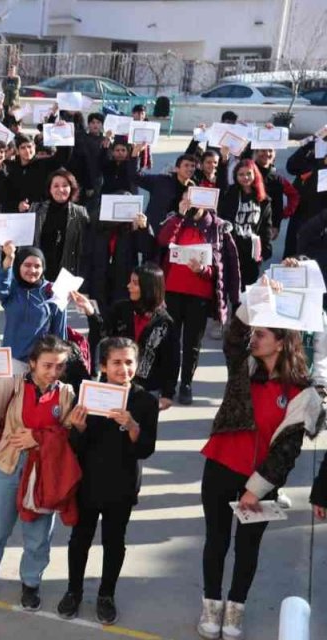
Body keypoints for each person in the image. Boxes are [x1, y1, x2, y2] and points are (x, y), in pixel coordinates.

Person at [195, 298, 319, 640]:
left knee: (248, 547)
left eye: (261, 334)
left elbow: (288, 450)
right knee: (216, 541)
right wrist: (259, 295)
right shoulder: (243, 366)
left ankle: (235, 608)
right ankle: (211, 605)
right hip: (220, 465)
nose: (254, 338)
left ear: (281, 341)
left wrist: (257, 488)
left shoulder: (302, 393)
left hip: (261, 482)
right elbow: (234, 334)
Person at [0, 335, 78, 611]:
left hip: (44, 474)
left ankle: (30, 583)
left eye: (59, 367)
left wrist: (39, 437)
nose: (53, 373)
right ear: (33, 363)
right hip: (6, 468)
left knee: (38, 537)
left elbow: (70, 435)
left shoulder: (66, 394)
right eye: (47, 365)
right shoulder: (11, 386)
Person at [58, 337, 159, 626]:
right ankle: (73, 591)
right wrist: (77, 427)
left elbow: (146, 449)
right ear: (103, 365)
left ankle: (106, 595)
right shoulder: (89, 395)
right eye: (116, 362)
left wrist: (132, 427)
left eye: (129, 362)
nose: (123, 369)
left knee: (115, 541)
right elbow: (77, 445)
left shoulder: (145, 401)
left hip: (122, 484)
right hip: (88, 481)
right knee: (80, 539)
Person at [157, 192, 241, 405]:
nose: (192, 203)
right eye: (187, 198)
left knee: (192, 343)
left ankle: (186, 383)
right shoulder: (176, 220)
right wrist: (179, 215)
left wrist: (203, 270)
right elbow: (164, 241)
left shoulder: (217, 227)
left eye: (196, 198)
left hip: (199, 295)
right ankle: (169, 384)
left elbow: (222, 268)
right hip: (173, 291)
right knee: (171, 340)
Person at [74, 264, 179, 409]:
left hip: (146, 389)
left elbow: (171, 361)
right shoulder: (121, 309)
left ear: (148, 288)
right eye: (130, 281)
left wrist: (168, 394)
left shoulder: (164, 323)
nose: (129, 286)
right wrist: (91, 312)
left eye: (135, 283)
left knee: (140, 430)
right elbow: (103, 333)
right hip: (114, 383)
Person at [0, 242, 67, 371]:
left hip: (42, 362)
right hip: (13, 360)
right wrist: (10, 257)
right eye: (27, 265)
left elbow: (60, 331)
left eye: (37, 266)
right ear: (19, 266)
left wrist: (58, 363)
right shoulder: (12, 289)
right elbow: (1, 285)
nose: (32, 270)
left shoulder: (53, 290)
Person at [24, 169, 88, 282]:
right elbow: (26, 241)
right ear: (50, 189)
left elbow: (82, 249)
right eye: (56, 186)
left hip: (66, 273)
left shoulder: (80, 213)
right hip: (38, 272)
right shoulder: (36, 209)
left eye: (65, 185)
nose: (61, 189)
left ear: (71, 188)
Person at [218, 160, 273, 288]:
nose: (245, 177)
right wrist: (224, 160)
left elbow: (266, 227)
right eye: (241, 174)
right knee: (231, 287)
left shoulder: (263, 200)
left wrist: (265, 249)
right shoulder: (230, 194)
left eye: (249, 173)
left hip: (252, 250)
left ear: (255, 175)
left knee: (248, 289)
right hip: (233, 248)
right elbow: (221, 184)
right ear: (236, 177)